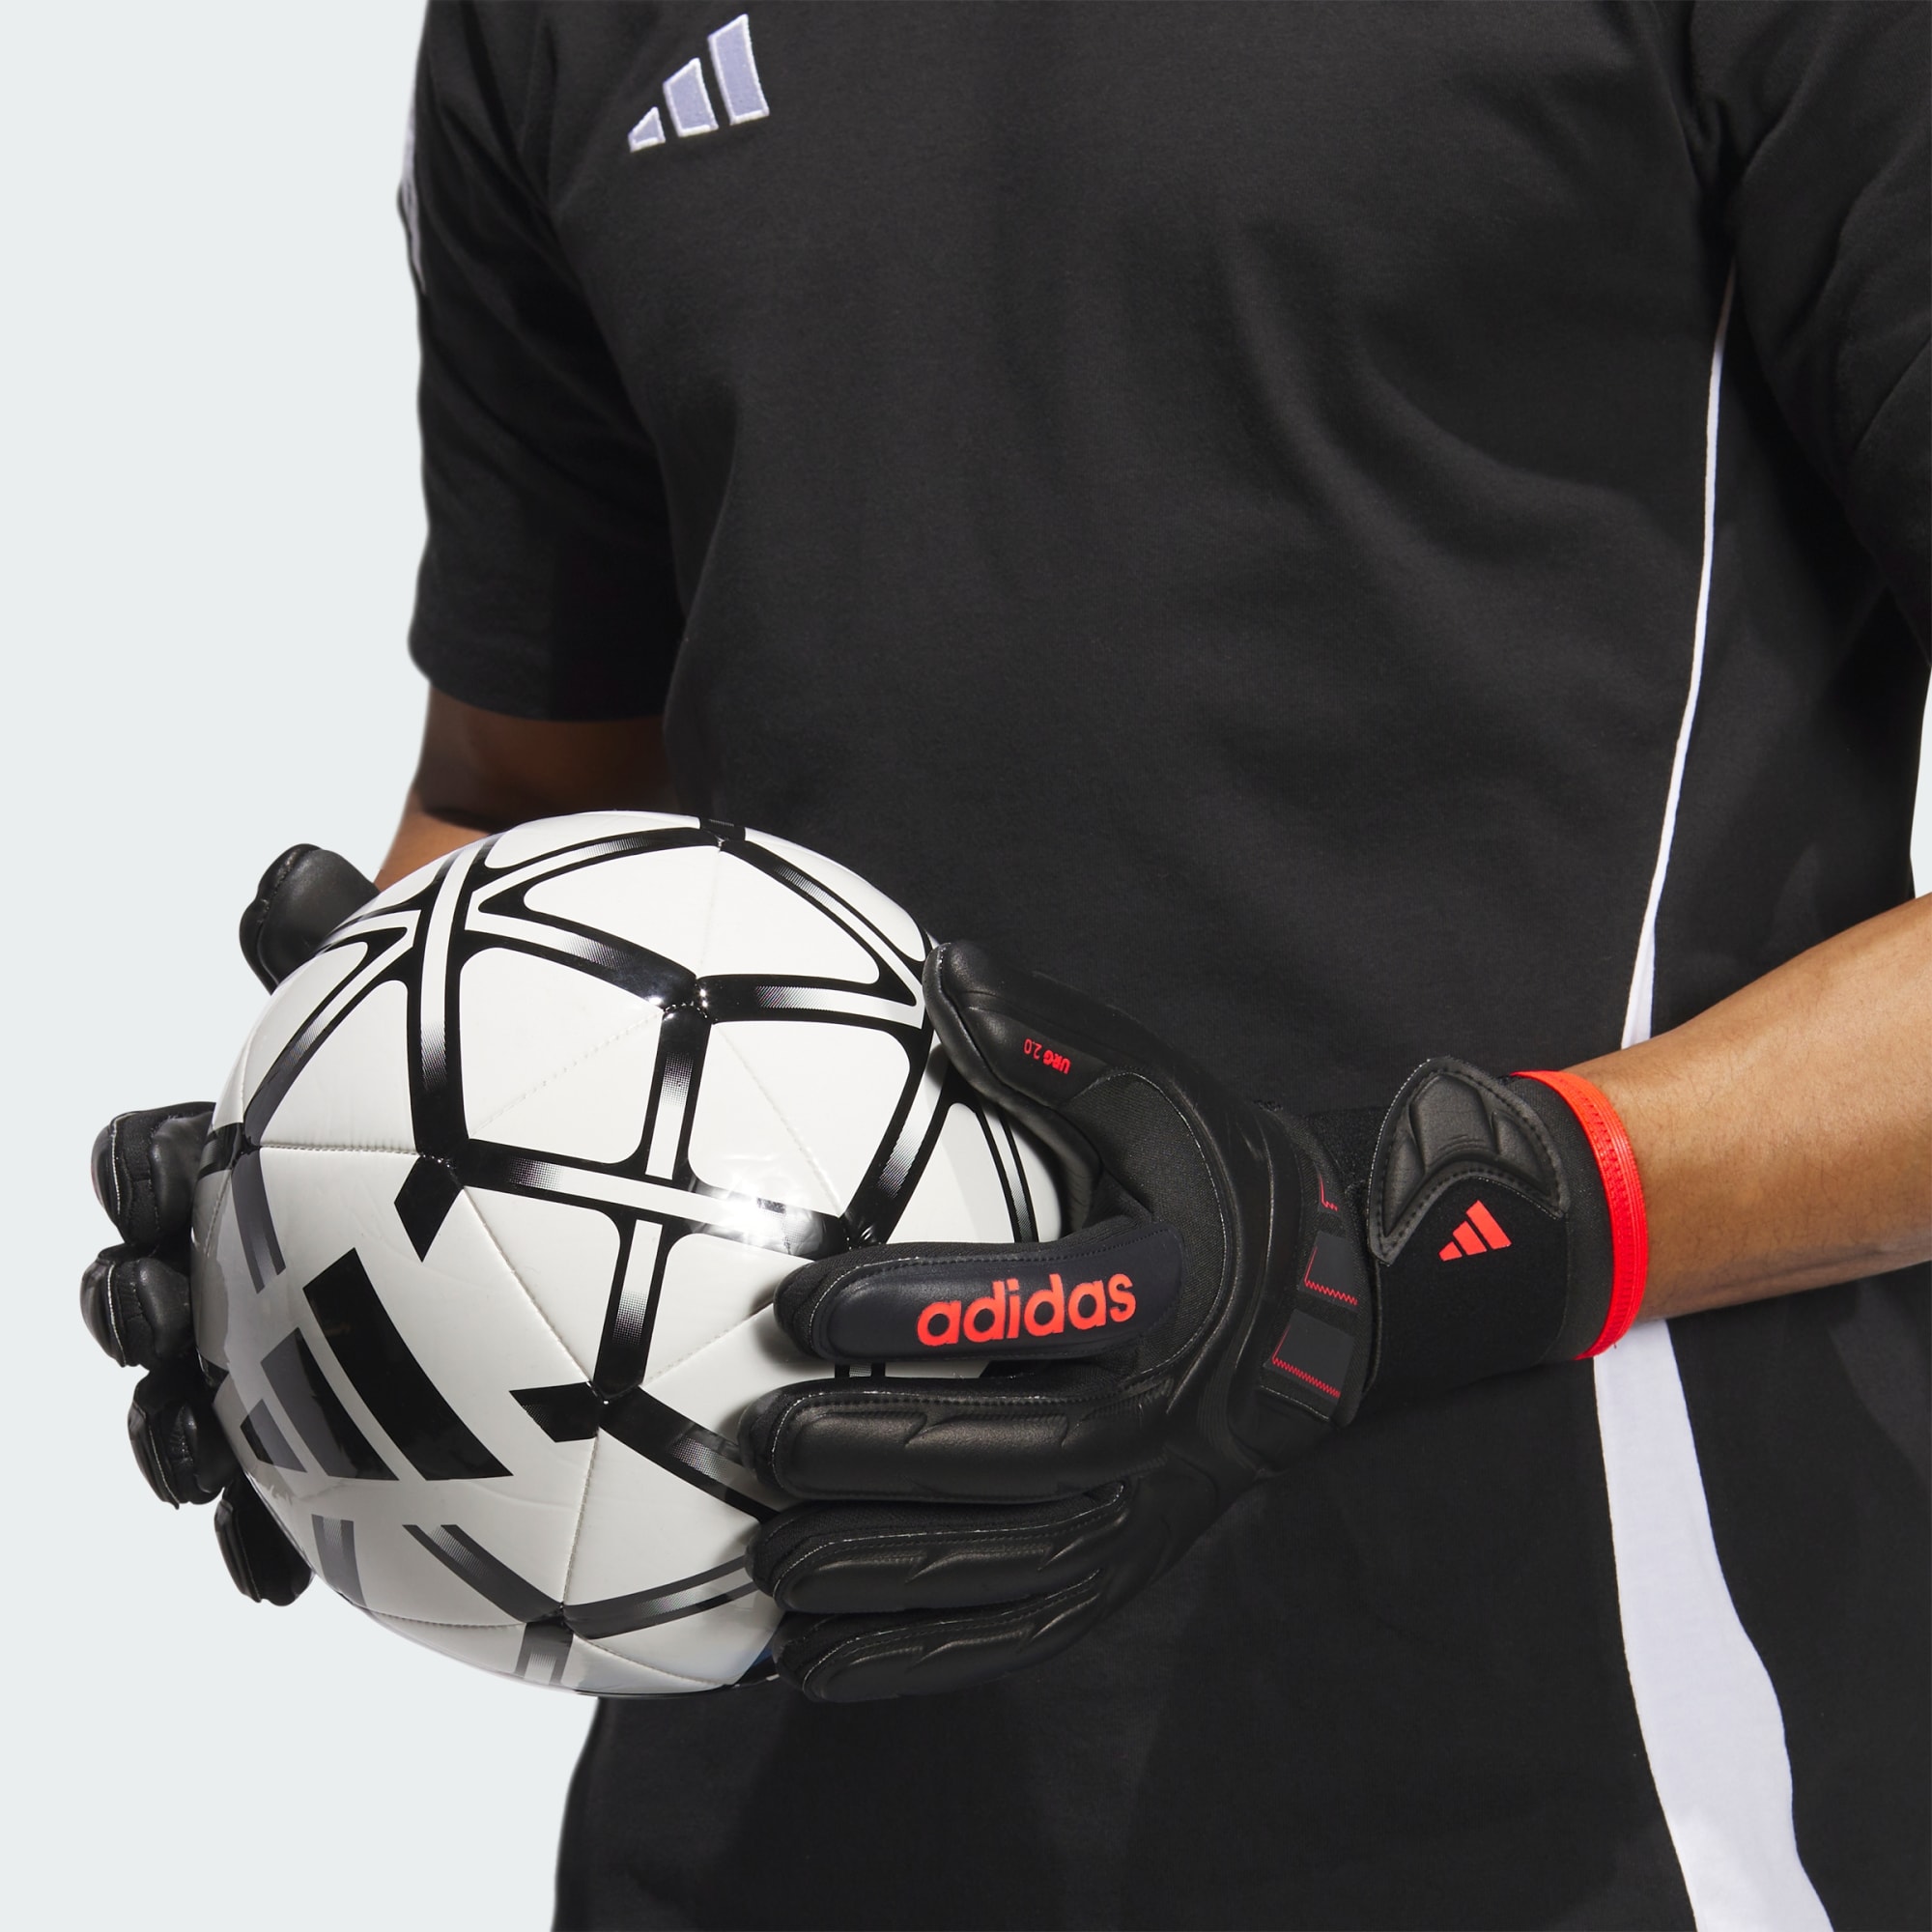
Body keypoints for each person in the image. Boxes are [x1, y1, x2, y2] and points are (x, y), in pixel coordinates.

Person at [81, 5, 1929, 1926]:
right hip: (754, 1802)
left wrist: (1392, 1257)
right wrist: (334, 1184)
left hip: (1598, 1777)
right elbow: (523, 793)